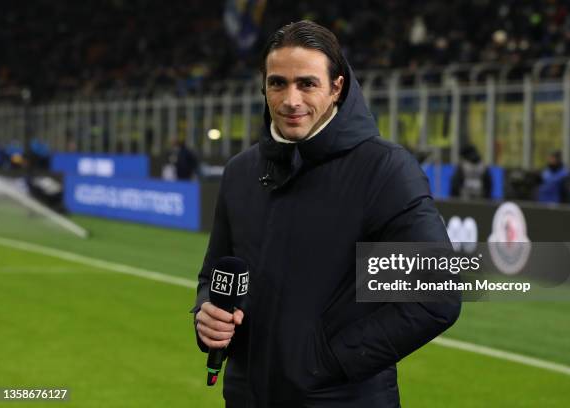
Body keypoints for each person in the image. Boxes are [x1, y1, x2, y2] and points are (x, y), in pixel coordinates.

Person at [192, 21, 461, 408]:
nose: (291, 100)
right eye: (277, 83)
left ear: (337, 87)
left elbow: (435, 296)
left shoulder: (383, 170)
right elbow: (214, 273)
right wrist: (207, 316)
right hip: (246, 396)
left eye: (307, 84)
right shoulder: (241, 172)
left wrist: (325, 362)